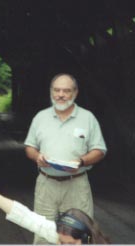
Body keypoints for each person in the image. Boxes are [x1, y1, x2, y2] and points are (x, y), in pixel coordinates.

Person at [24, 73, 107, 244]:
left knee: (81, 234)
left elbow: (100, 150)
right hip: (46, 184)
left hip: (76, 184)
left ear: (75, 93)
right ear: (51, 92)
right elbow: (29, 147)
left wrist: (82, 161)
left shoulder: (88, 118)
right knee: (42, 233)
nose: (61, 94)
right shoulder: (40, 117)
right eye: (57, 90)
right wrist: (37, 156)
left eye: (66, 91)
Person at [0, 175, 110, 244]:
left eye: (72, 244)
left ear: (87, 239)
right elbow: (24, 216)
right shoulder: (57, 234)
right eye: (62, 243)